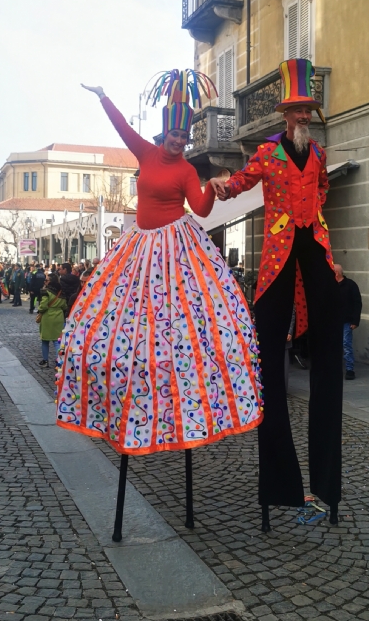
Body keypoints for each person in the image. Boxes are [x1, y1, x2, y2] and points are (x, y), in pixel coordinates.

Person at [57, 73, 261, 458]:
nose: (180, 143)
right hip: (139, 246)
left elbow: (199, 210)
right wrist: (104, 97)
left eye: (185, 139)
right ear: (164, 132)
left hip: (174, 245)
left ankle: (183, 386)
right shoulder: (144, 153)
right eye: (175, 137)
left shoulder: (185, 170)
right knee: (126, 313)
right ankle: (128, 382)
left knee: (178, 315)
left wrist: (214, 188)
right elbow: (122, 128)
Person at [213, 58, 342, 523]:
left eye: (309, 109)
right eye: (298, 110)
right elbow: (242, 183)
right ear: (285, 114)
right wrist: (219, 188)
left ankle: (328, 484)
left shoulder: (322, 154)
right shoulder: (267, 154)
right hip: (279, 249)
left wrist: (318, 226)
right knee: (269, 341)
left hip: (315, 244)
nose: (305, 116)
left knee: (330, 326)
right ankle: (279, 486)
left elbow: (323, 190)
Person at [334, 264, 362, 381]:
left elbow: (357, 303)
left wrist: (355, 321)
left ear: (337, 273)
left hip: (346, 321)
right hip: (333, 321)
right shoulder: (331, 285)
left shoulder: (350, 285)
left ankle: (350, 369)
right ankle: (335, 369)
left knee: (346, 345)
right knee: (334, 346)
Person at [36, 280, 67, 366]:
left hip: (48, 317)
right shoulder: (62, 293)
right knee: (57, 341)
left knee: (45, 340)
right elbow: (65, 306)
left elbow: (43, 305)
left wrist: (40, 310)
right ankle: (59, 361)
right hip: (59, 317)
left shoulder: (46, 292)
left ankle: (45, 361)